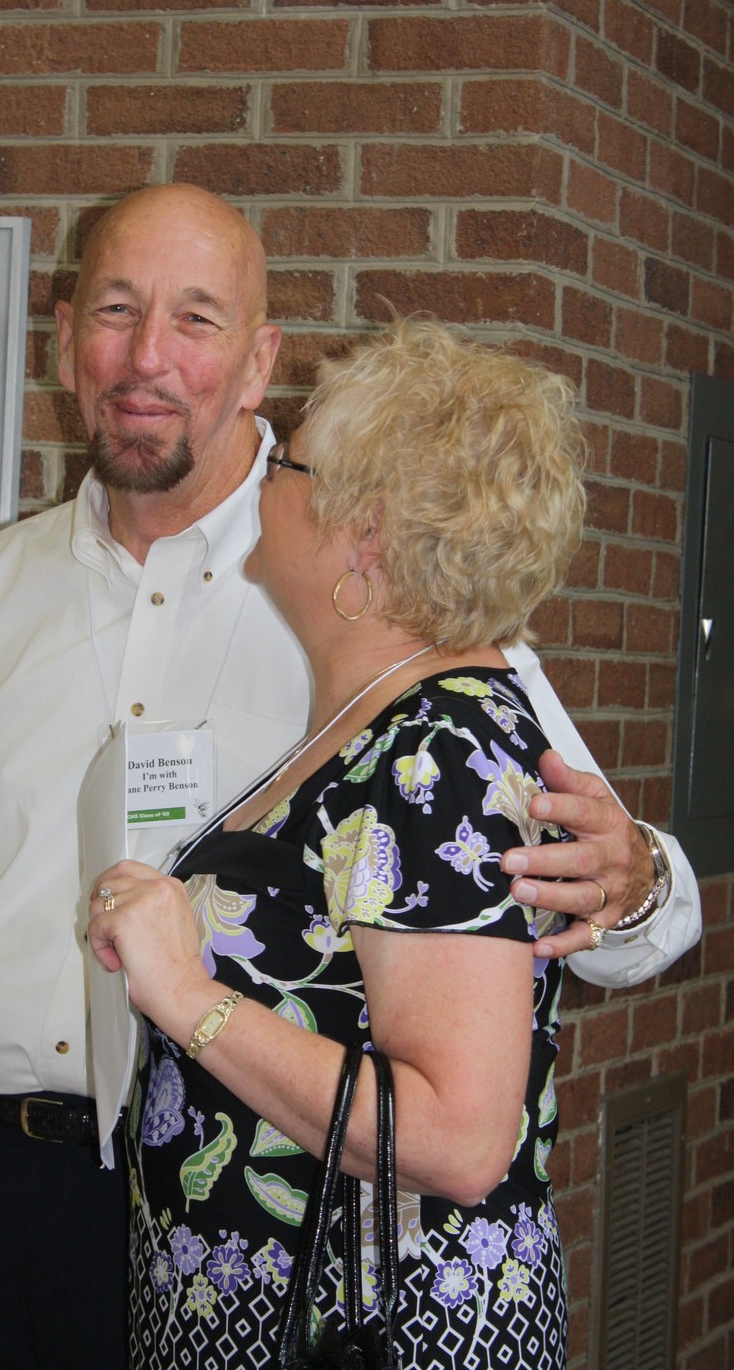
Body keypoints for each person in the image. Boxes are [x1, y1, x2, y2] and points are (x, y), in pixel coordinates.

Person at [0, 185, 699, 1370]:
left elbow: (589, 904)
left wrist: (637, 883)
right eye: (114, 310)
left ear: (260, 362)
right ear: (63, 339)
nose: (146, 357)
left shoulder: (389, 599)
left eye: (196, 319)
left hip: (269, 1221)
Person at [88, 317, 592, 1368]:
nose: (262, 474)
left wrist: (187, 997)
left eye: (289, 462)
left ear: (364, 534)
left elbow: (457, 1139)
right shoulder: (377, 726)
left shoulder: (435, 755)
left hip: (364, 1333)